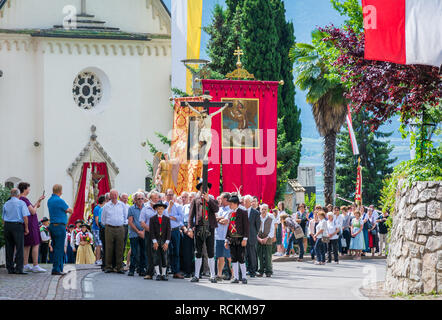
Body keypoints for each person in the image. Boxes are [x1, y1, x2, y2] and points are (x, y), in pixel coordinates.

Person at [188, 180, 219, 283]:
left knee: (210, 252)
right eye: (202, 188)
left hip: (210, 228)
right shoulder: (195, 200)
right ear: (200, 190)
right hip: (199, 228)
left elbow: (216, 210)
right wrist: (190, 228)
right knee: (198, 252)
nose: (204, 190)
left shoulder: (213, 200)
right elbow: (190, 215)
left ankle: (212, 275)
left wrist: (208, 200)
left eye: (206, 188)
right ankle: (196, 275)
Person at [18, 182, 46, 273]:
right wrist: (36, 206)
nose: (29, 190)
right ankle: (35, 265)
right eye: (28, 188)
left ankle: (25, 264)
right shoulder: (24, 199)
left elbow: (32, 208)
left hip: (28, 223)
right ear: (25, 189)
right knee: (35, 243)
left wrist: (39, 201)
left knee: (27, 245)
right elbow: (33, 211)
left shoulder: (20, 198)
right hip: (31, 224)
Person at [2, 188, 30, 274]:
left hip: (7, 226)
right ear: (18, 195)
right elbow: (25, 217)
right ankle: (19, 268)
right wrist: (26, 228)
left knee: (9, 248)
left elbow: (3, 218)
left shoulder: (6, 203)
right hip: (17, 226)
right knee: (19, 247)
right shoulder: (21, 203)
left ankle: (10, 268)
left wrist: (6, 226)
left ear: (11, 194)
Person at [47, 184, 73, 275]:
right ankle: (56, 269)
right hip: (59, 226)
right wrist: (67, 210)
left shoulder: (50, 200)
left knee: (55, 247)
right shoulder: (59, 200)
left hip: (52, 225)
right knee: (59, 248)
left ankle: (58, 267)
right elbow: (70, 210)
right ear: (60, 191)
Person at [101, 189, 127, 274]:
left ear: (117, 195)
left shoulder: (122, 205)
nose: (114, 196)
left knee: (120, 247)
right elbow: (103, 219)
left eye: (115, 194)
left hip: (120, 228)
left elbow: (125, 216)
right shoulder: (106, 206)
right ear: (110, 196)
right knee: (109, 247)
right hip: (109, 228)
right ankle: (108, 266)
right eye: (112, 195)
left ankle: (119, 267)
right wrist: (108, 225)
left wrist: (121, 224)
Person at [224, 195, 249, 284]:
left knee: (241, 258)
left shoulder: (243, 212)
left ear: (235, 204)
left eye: (230, 203)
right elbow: (229, 227)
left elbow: (246, 227)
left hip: (240, 238)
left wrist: (245, 239)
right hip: (232, 239)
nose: (229, 205)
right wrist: (226, 240)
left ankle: (244, 277)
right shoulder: (230, 213)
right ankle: (236, 277)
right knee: (234, 258)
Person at [164, 189, 184, 279]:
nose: (170, 197)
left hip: (175, 230)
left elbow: (181, 218)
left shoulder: (178, 206)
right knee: (165, 251)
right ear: (166, 196)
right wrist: (169, 208)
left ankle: (176, 271)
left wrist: (172, 217)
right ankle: (165, 270)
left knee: (176, 251)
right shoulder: (163, 205)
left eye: (172, 195)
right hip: (165, 230)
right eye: (169, 195)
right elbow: (163, 216)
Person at [140, 191, 159, 279]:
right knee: (150, 253)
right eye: (154, 198)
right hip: (149, 233)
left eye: (157, 198)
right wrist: (151, 231)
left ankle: (161, 273)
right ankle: (149, 273)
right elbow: (142, 223)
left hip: (160, 233)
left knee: (160, 253)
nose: (156, 200)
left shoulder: (161, 208)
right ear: (150, 199)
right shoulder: (145, 209)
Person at [150, 201, 171, 281]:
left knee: (164, 257)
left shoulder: (167, 219)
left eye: (161, 209)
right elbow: (151, 231)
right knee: (155, 257)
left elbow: (169, 232)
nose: (160, 210)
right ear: (156, 209)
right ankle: (158, 274)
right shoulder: (152, 219)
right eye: (158, 209)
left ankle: (163, 274)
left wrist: (167, 242)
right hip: (156, 240)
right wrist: (154, 241)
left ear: (164, 210)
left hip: (164, 240)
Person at [127, 192, 146, 277]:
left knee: (143, 252)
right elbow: (130, 222)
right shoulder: (131, 208)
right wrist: (138, 231)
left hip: (144, 233)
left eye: (142, 198)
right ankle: (131, 270)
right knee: (134, 253)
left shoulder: (146, 208)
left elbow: (148, 221)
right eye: (139, 199)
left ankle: (141, 270)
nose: (141, 200)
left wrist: (144, 232)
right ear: (135, 200)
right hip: (134, 234)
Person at [215, 192, 233, 281]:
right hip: (218, 236)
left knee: (229, 257)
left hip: (227, 237)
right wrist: (220, 219)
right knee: (220, 256)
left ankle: (234, 275)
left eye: (221, 198)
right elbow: (215, 219)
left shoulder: (231, 210)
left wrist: (219, 219)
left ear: (226, 199)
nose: (219, 200)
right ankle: (219, 274)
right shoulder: (219, 209)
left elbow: (226, 221)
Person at [243, 195, 260, 278]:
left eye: (246, 201)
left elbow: (258, 226)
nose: (244, 203)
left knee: (252, 255)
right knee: (244, 254)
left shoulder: (255, 213)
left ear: (250, 202)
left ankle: (252, 271)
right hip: (243, 237)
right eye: (244, 201)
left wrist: (253, 234)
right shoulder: (242, 211)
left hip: (251, 237)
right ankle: (245, 270)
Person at [180, 192, 195, 278]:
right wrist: (185, 229)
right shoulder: (184, 207)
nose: (190, 199)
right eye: (189, 198)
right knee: (187, 251)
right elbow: (181, 220)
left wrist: (193, 229)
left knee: (197, 251)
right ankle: (188, 271)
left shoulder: (198, 207)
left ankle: (196, 271)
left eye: (192, 197)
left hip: (195, 228)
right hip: (186, 229)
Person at [257, 204, 274, 277]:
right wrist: (258, 238)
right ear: (260, 210)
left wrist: (267, 238)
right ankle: (260, 271)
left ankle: (268, 271)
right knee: (259, 255)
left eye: (265, 209)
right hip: (259, 238)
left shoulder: (270, 218)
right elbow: (254, 229)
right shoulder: (257, 218)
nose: (263, 211)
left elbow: (272, 230)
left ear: (267, 210)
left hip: (268, 238)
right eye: (262, 209)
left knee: (268, 256)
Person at [92, 195, 105, 266]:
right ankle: (97, 260)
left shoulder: (101, 208)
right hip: (97, 229)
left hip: (99, 228)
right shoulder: (97, 208)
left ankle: (100, 259)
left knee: (101, 244)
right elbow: (97, 219)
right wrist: (100, 227)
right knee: (98, 245)